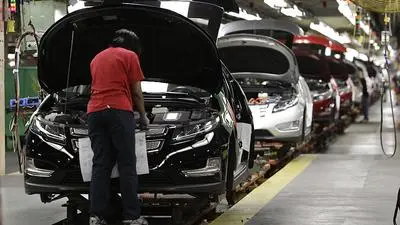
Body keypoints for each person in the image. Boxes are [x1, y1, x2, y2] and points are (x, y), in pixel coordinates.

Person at [87, 29, 149, 225]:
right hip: (118, 111)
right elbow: (137, 92)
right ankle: (132, 216)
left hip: (95, 112)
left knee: (100, 164)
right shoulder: (130, 56)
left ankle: (96, 216)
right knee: (127, 164)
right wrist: (143, 116)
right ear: (134, 46)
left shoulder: (96, 58)